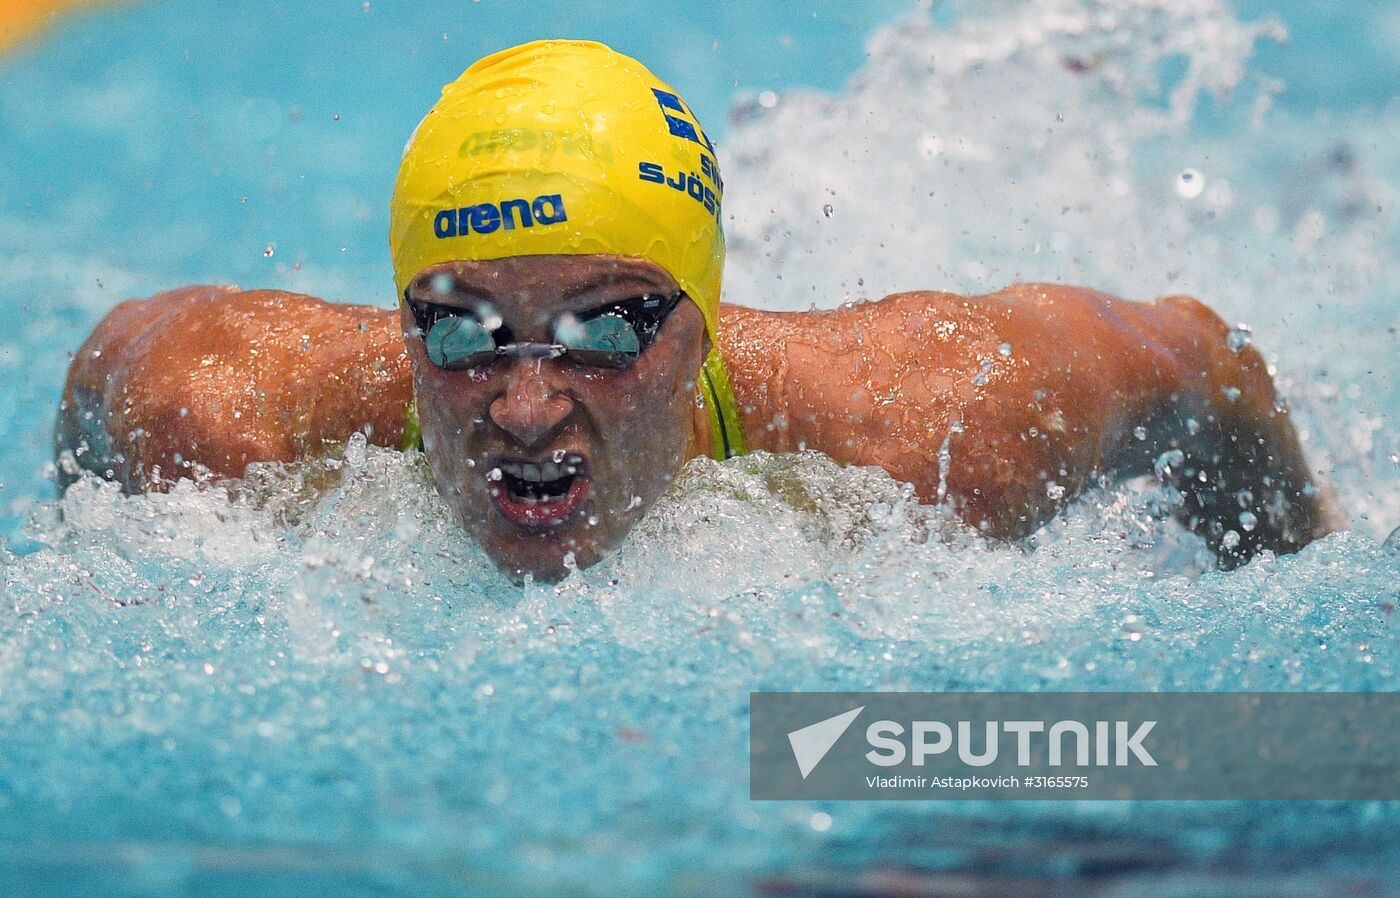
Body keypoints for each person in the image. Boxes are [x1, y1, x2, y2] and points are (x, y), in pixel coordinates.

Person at [56, 40, 1339, 581]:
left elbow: (1205, 360)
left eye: (607, 327)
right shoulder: (217, 417)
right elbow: (100, 381)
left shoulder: (932, 432)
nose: (523, 402)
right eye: (458, 329)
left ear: (704, 324)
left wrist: (1300, 558)